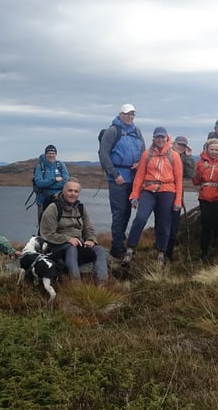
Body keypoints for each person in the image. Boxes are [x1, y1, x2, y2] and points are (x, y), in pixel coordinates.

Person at [124, 126, 183, 267]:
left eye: (162, 137)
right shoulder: (146, 154)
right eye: (157, 137)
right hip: (149, 190)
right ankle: (130, 250)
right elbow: (139, 176)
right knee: (140, 218)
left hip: (167, 190)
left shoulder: (174, 155)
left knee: (164, 223)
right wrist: (135, 195)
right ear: (154, 138)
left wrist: (178, 200)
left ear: (166, 138)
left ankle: (161, 253)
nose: (160, 139)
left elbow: (179, 179)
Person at [98, 103, 146, 260]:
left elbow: (143, 151)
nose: (130, 117)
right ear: (120, 114)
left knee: (127, 212)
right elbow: (104, 154)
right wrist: (114, 174)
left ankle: (121, 242)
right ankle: (117, 247)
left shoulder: (136, 131)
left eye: (132, 114)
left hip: (132, 178)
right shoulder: (112, 131)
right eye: (127, 114)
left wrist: (139, 164)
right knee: (119, 213)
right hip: (118, 179)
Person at [39, 179, 109, 285]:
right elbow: (46, 234)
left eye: (76, 191)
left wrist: (90, 239)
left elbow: (88, 228)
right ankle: (76, 285)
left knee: (100, 250)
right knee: (71, 248)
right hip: (58, 249)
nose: (73, 194)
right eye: (70, 190)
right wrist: (68, 239)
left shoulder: (81, 208)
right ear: (63, 192)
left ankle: (102, 284)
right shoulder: (53, 208)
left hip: (79, 245)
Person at [193, 138, 218, 261]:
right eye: (211, 149)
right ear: (207, 149)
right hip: (204, 197)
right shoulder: (200, 162)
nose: (213, 152)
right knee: (206, 224)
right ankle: (204, 252)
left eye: (216, 149)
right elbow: (196, 181)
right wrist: (202, 169)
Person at [164, 135, 196, 261]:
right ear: (173, 143)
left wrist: (188, 157)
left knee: (174, 226)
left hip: (177, 195)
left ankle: (168, 254)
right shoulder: (165, 154)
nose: (181, 147)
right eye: (179, 144)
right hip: (163, 194)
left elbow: (191, 174)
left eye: (183, 145)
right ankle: (161, 250)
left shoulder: (184, 158)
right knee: (162, 224)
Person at [32, 144, 69, 227]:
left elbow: (66, 181)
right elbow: (39, 183)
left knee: (60, 225)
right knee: (43, 226)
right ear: (45, 154)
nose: (51, 155)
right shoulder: (40, 167)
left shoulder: (60, 165)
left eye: (53, 153)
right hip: (42, 201)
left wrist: (47, 185)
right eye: (49, 153)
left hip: (59, 201)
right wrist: (54, 180)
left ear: (56, 154)